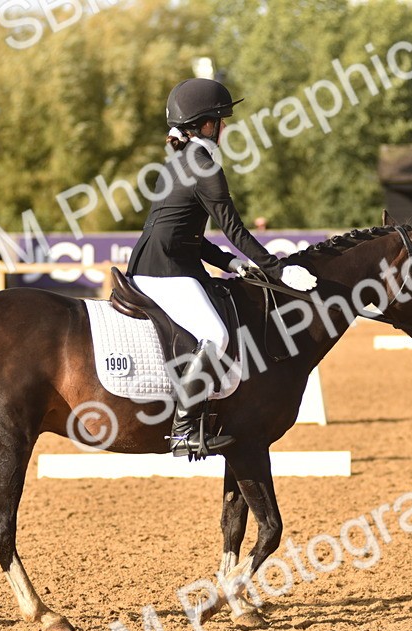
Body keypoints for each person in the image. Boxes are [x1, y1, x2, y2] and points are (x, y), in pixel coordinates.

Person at [126, 77, 317, 459]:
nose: (225, 128)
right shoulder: (204, 165)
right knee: (215, 334)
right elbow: (234, 229)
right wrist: (277, 270)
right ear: (206, 125)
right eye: (221, 121)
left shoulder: (177, 162)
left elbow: (188, 235)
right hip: (166, 270)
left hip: (160, 262)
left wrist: (231, 263)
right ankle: (183, 430)